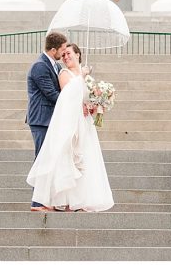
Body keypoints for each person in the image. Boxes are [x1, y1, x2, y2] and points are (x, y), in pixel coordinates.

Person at [26, 43, 114, 212]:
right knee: (69, 158)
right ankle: (60, 201)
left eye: (69, 54)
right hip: (70, 121)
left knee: (86, 158)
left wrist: (95, 104)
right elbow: (67, 96)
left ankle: (82, 201)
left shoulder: (86, 77)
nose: (66, 57)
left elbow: (86, 97)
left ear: (78, 55)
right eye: (64, 54)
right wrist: (82, 76)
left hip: (85, 122)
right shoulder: (64, 73)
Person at [26, 32, 68, 211]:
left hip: (51, 120)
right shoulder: (40, 66)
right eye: (63, 49)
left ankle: (46, 199)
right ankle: (37, 203)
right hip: (41, 120)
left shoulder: (54, 65)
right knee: (41, 160)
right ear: (53, 50)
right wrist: (73, 102)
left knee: (50, 160)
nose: (65, 53)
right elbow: (51, 94)